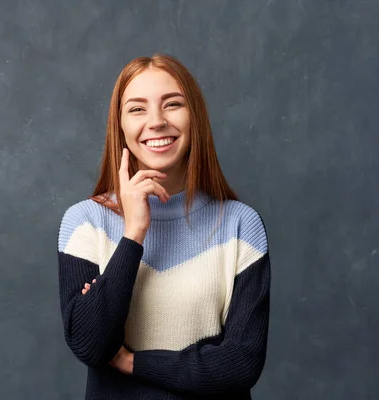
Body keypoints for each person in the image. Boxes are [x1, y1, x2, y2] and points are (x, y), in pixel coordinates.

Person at [57, 53, 271, 399]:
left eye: (172, 104)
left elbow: (240, 364)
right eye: (137, 109)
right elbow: (91, 345)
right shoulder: (85, 223)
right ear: (120, 126)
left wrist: (132, 363)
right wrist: (134, 233)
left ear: (195, 118)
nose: (156, 122)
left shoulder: (240, 226)